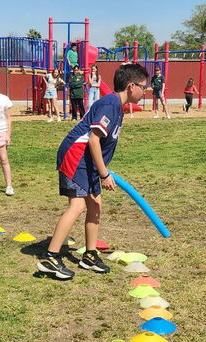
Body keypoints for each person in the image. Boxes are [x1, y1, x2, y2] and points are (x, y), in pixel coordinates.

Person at [36, 63, 149, 280]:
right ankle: (50, 257)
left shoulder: (118, 107)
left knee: (95, 204)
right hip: (76, 156)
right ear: (131, 86)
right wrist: (104, 173)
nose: (144, 92)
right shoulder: (110, 103)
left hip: (88, 162)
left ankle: (89, 254)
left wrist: (100, 169)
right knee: (77, 205)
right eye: (143, 87)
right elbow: (94, 139)